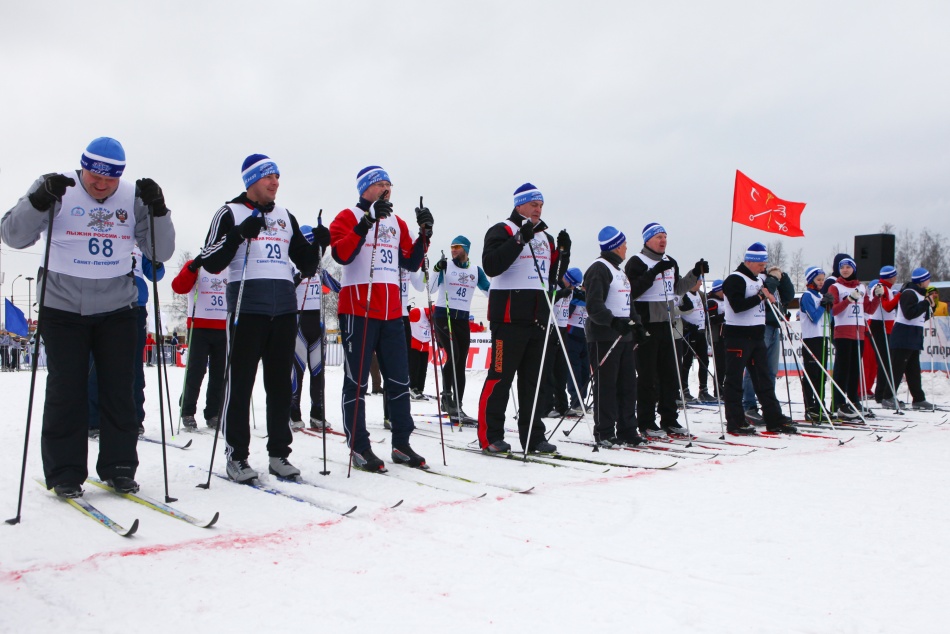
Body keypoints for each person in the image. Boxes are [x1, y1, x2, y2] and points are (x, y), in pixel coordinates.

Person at [1, 137, 176, 497]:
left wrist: (158, 210)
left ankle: (119, 466)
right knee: (67, 389)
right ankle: (65, 472)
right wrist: (37, 201)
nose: (101, 184)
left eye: (110, 178)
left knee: (120, 389)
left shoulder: (131, 196)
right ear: (83, 168)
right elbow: (13, 236)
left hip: (117, 307)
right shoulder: (56, 187)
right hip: (63, 306)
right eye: (94, 176)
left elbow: (161, 251)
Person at [195, 153, 327, 482]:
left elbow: (306, 265)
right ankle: (236, 456)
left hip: (283, 310)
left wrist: (318, 246)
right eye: (268, 177)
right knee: (240, 385)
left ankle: (279, 454)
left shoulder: (285, 216)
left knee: (280, 385)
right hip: (247, 308)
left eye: (277, 177)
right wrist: (239, 234)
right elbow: (209, 260)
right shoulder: (230, 212)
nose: (275, 182)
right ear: (252, 181)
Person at [329, 165, 431, 472]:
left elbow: (411, 262)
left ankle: (401, 443)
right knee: (357, 381)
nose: (387, 189)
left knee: (399, 380)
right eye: (380, 184)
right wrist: (366, 223)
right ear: (366, 188)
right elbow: (341, 255)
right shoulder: (347, 216)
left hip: (392, 311)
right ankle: (359, 446)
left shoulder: (397, 222)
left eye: (389, 184)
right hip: (358, 308)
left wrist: (424, 235)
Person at [477, 183, 569, 454]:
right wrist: (519, 239)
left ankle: (533, 436)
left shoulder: (545, 237)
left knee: (533, 383)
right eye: (533, 204)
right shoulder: (503, 229)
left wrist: (563, 254)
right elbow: (492, 265)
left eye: (541, 205)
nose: (538, 209)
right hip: (508, 319)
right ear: (519, 205)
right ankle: (490, 435)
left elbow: (551, 277)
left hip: (537, 319)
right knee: (500, 378)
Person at [623, 222, 705, 437]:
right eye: (658, 237)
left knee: (670, 374)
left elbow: (678, 288)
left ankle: (669, 419)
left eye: (665, 237)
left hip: (669, 323)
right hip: (647, 325)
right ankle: (646, 421)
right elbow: (632, 291)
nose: (663, 241)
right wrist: (653, 272)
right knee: (648, 376)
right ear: (648, 240)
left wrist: (694, 273)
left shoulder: (671, 261)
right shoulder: (637, 262)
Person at [721, 243, 797, 435]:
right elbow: (737, 306)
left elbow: (780, 293)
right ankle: (735, 421)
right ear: (749, 261)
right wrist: (760, 297)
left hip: (756, 335)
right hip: (738, 336)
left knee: (764, 379)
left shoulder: (759, 279)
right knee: (734, 380)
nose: (763, 268)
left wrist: (776, 281)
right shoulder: (735, 279)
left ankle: (774, 419)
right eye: (760, 264)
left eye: (764, 265)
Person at [583, 227, 644, 446]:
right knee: (606, 386)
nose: (627, 247)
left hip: (623, 337)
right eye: (624, 244)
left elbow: (628, 303)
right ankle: (605, 431)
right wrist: (613, 322)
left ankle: (628, 429)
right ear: (616, 246)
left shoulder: (619, 271)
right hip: (604, 337)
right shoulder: (599, 268)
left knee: (628, 385)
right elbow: (594, 306)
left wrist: (637, 326)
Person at [430, 235, 490, 424]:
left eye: (457, 247)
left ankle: (458, 404)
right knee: (454, 354)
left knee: (461, 361)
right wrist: (436, 269)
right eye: (452, 247)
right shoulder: (446, 266)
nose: (453, 250)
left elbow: (489, 291)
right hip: (444, 315)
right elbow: (431, 289)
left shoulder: (475, 270)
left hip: (462, 318)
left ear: (466, 249)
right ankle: (446, 396)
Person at [170, 255, 228, 430]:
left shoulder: (229, 266)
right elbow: (178, 287)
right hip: (199, 326)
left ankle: (213, 413)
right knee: (196, 371)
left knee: (219, 373)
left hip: (223, 326)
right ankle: (187, 410)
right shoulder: (198, 266)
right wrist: (191, 268)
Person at [288, 226, 336, 431]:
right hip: (298, 322)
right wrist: (301, 275)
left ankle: (317, 413)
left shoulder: (320, 269)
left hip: (318, 323)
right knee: (297, 371)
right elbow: (287, 286)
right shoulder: (292, 265)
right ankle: (293, 412)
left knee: (318, 372)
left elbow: (337, 286)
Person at [827, 256, 881, 419]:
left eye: (848, 267)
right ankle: (838, 403)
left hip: (859, 333)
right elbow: (833, 310)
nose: (845, 270)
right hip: (843, 332)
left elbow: (869, 310)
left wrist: (877, 297)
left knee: (855, 369)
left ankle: (853, 400)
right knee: (842, 369)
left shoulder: (861, 287)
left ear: (854, 269)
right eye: (842, 267)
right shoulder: (836, 287)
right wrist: (849, 300)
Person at [741, 263, 795, 423]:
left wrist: (783, 277)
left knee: (771, 370)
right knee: (755, 368)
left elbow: (789, 296)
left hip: (774, 325)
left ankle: (769, 406)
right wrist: (773, 278)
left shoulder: (772, 278)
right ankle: (749, 406)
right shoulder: (757, 279)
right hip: (761, 325)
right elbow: (764, 292)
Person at [887, 268, 936, 410]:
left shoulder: (920, 294)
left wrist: (931, 307)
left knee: (913, 370)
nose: (929, 281)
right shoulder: (909, 293)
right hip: (903, 336)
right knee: (897, 369)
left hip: (913, 337)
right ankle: (888, 396)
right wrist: (925, 303)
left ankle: (918, 398)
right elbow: (909, 314)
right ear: (921, 281)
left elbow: (920, 316)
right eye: (927, 279)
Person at [798, 266, 833, 421]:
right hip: (811, 338)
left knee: (821, 375)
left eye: (822, 280)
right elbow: (814, 317)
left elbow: (828, 318)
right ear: (811, 280)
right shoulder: (807, 296)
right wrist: (823, 306)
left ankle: (820, 405)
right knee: (812, 374)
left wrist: (829, 306)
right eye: (818, 279)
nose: (821, 282)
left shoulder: (820, 295)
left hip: (822, 337)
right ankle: (810, 407)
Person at [863, 266, 901, 404]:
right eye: (894, 276)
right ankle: (882, 395)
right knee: (885, 361)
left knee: (887, 361)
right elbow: (887, 307)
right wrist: (899, 296)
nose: (896, 278)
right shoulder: (881, 287)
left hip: (886, 327)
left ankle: (883, 394)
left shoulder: (887, 288)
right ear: (891, 277)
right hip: (879, 326)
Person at [678, 278, 713, 402]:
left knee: (704, 361)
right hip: (689, 333)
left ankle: (703, 390)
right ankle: (684, 390)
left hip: (701, 332)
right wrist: (687, 326)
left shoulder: (700, 294)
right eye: (699, 281)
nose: (701, 283)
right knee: (687, 362)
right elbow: (678, 313)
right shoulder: (684, 294)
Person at [563, 268, 589, 414]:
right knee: (574, 370)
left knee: (585, 370)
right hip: (572, 336)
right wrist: (576, 301)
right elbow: (567, 312)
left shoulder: (586, 296)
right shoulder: (573, 295)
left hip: (586, 337)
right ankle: (575, 400)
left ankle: (581, 400)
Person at [705, 279, 726, 397]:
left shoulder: (726, 300)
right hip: (717, 337)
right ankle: (718, 391)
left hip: (727, 336)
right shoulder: (712, 301)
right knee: (720, 366)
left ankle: (726, 389)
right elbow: (711, 320)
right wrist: (725, 315)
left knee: (728, 365)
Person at [407, 305, 432, 399]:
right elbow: (405, 320)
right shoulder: (418, 312)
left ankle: (420, 389)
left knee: (423, 369)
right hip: (414, 344)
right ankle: (413, 388)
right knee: (414, 367)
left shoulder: (435, 320)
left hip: (425, 346)